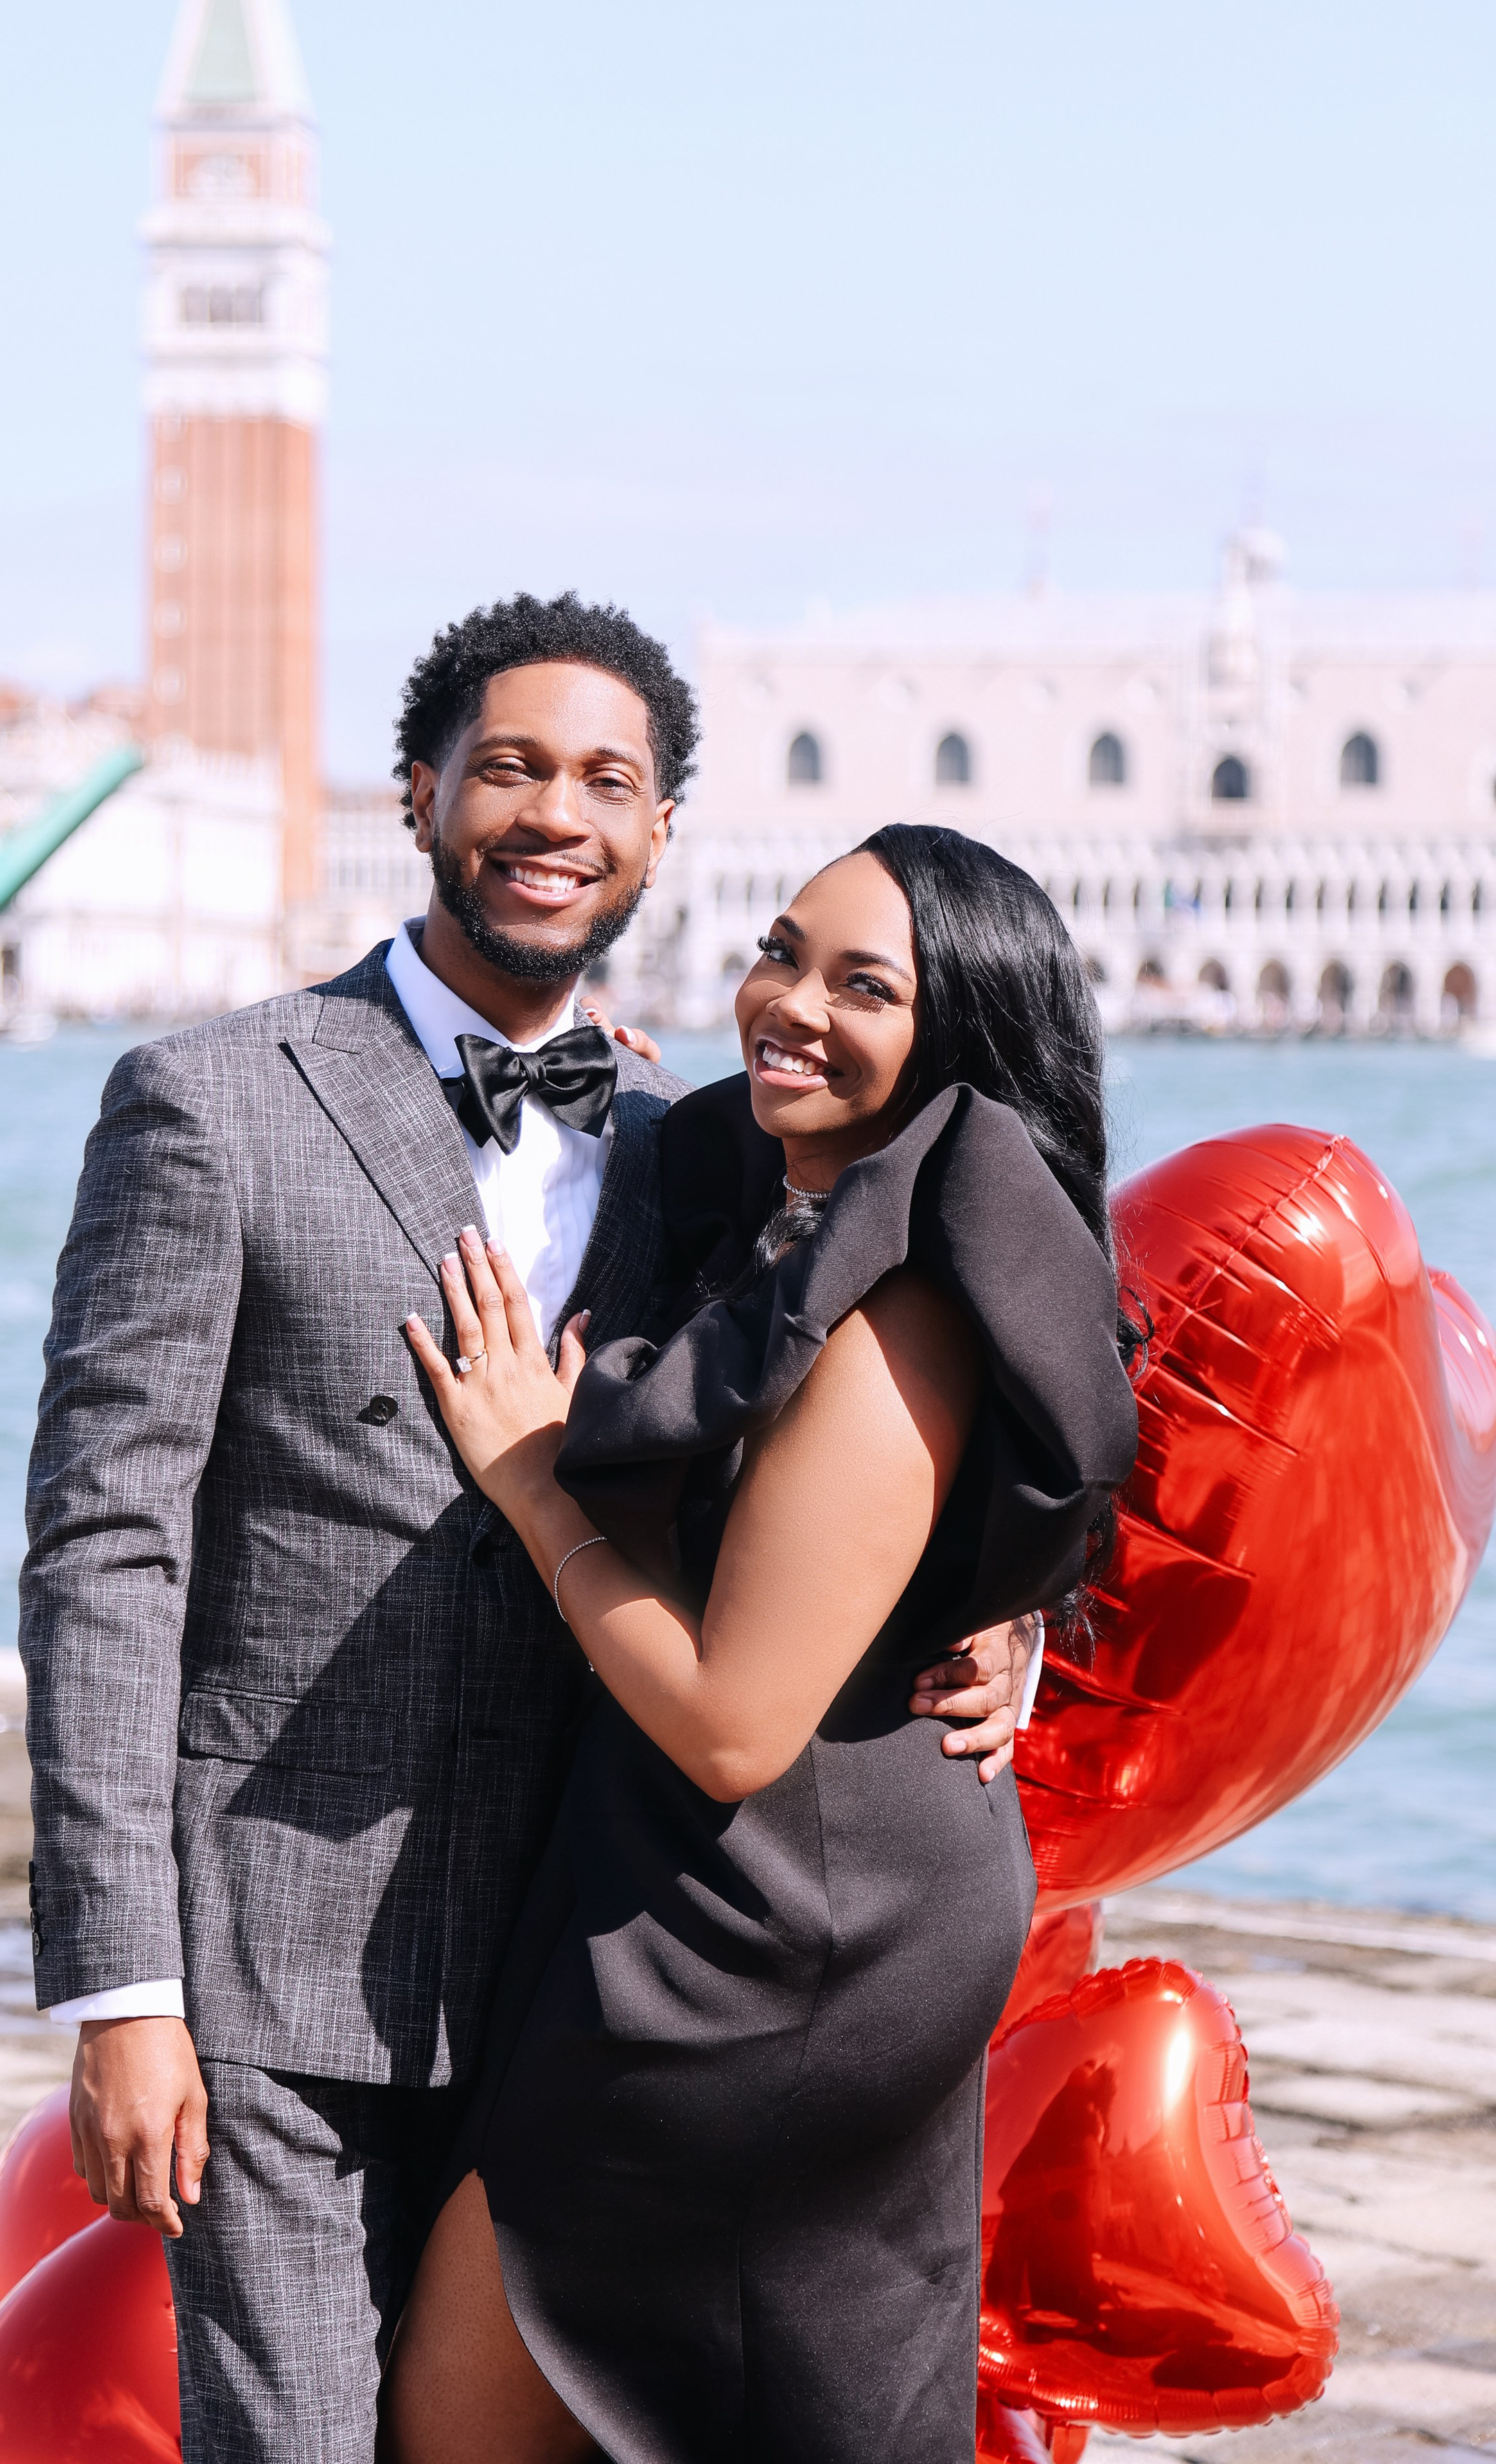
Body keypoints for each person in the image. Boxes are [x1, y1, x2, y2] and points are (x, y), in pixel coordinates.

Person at [19, 605, 1032, 2464]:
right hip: (273, 1965)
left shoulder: (698, 1140)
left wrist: (991, 1611)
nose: (555, 815)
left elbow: (863, 1420)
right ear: (416, 795)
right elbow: (104, 1553)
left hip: (592, 1973)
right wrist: (123, 1989)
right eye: (508, 767)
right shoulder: (208, 1102)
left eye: (606, 782)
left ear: (660, 833)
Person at [383, 822, 1143, 2464]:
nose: (791, 1004)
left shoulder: (897, 1312)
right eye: (781, 953)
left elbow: (731, 1723)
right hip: (755, 1885)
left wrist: (532, 1483)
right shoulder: (782, 1201)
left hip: (777, 1929)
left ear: (954, 1038)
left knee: (472, 2408)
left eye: (863, 985)